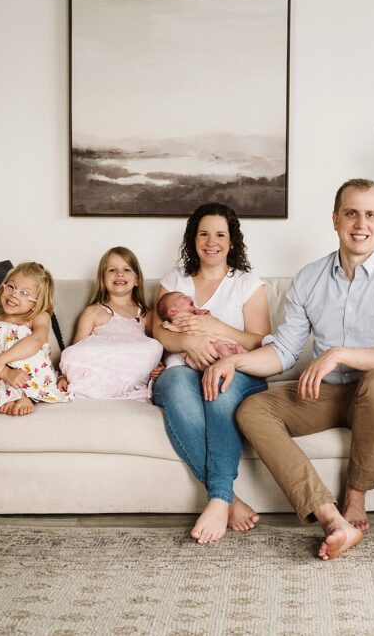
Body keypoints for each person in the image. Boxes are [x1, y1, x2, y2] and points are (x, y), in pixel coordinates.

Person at [203, 179, 374, 560]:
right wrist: (234, 360)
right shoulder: (310, 278)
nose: (361, 223)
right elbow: (285, 351)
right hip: (325, 391)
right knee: (252, 409)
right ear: (335, 219)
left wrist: (341, 354)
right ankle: (330, 517)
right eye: (351, 213)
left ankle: (355, 498)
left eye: (371, 214)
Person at [152, 202, 271, 544]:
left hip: (238, 369)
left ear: (232, 241)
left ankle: (219, 498)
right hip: (180, 369)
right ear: (193, 239)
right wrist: (187, 342)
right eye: (203, 233)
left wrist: (217, 326)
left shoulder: (248, 285)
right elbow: (158, 332)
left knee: (217, 388)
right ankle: (226, 498)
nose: (211, 241)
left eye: (220, 234)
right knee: (174, 383)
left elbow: (261, 341)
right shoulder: (174, 281)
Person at [0, 261, 73, 420]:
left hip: (33, 376)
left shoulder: (38, 317)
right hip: (0, 377)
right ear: (3, 287)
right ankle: (11, 393)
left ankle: (21, 395)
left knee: (23, 338)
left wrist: (2, 360)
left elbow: (36, 341)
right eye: (11, 287)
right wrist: (5, 372)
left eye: (25, 293)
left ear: (38, 301)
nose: (15, 294)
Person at [58, 247, 164, 402]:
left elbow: (152, 353)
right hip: (100, 370)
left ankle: (108, 390)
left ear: (137, 280)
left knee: (154, 346)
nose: (119, 274)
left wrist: (159, 365)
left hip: (129, 372)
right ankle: (98, 388)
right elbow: (77, 353)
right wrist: (63, 375)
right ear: (102, 279)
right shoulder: (93, 312)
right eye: (112, 270)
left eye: (127, 269)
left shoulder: (147, 315)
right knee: (69, 353)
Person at [157, 290, 247, 358]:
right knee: (219, 346)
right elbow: (176, 331)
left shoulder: (195, 314)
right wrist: (169, 327)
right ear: (172, 312)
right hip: (201, 348)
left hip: (213, 339)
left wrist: (206, 314)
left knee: (226, 343)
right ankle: (232, 358)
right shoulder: (178, 320)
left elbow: (211, 323)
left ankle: (238, 354)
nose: (189, 297)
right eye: (183, 297)